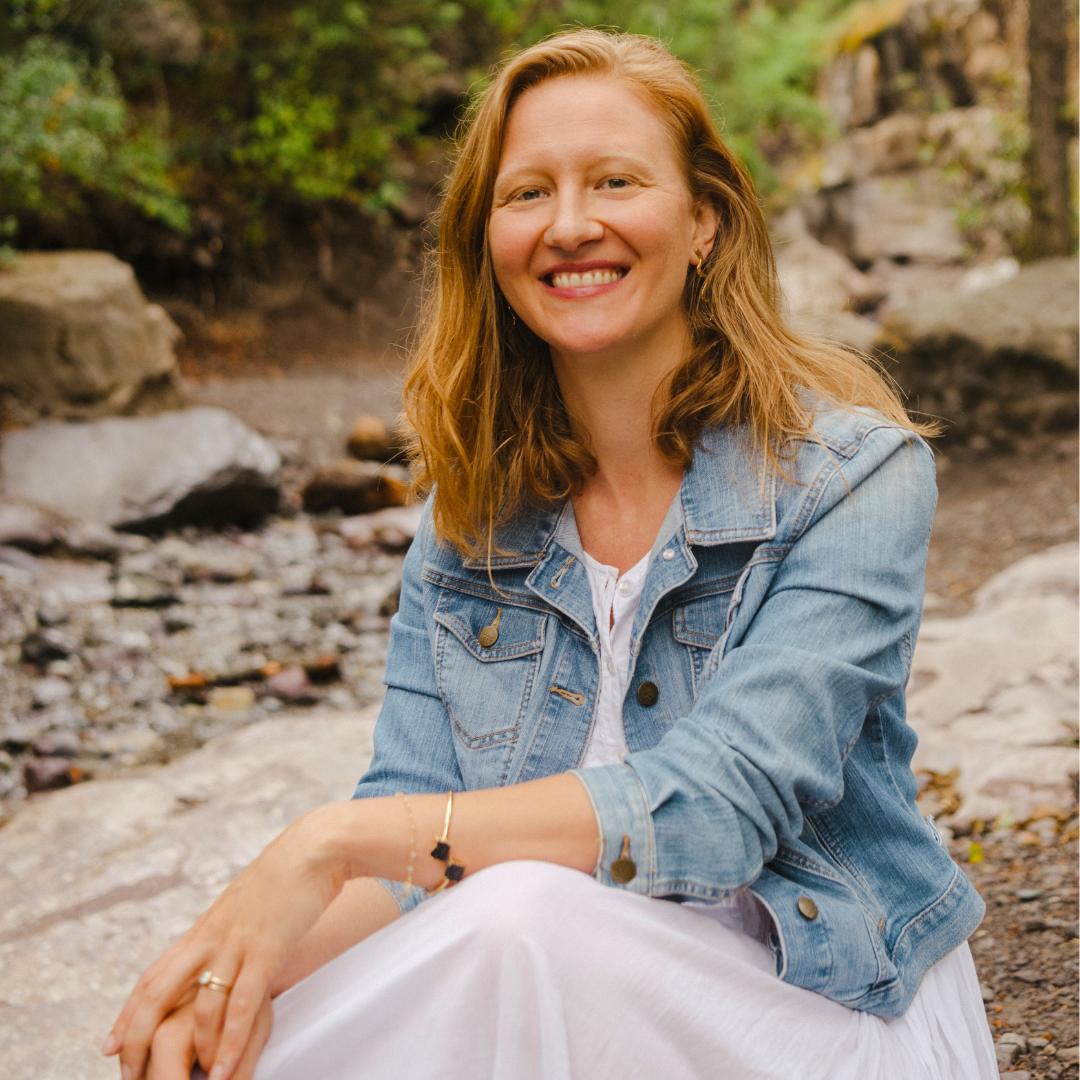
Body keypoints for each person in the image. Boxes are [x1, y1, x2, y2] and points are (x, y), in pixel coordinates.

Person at [103, 29, 998, 1080]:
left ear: (705, 219)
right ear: (488, 238)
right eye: (527, 193)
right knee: (247, 1039)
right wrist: (235, 976)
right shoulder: (467, 523)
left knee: (518, 910)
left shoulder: (852, 477)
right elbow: (410, 856)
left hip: (823, 1009)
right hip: (546, 988)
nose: (571, 226)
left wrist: (327, 838)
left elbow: (723, 807)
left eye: (616, 181)